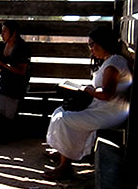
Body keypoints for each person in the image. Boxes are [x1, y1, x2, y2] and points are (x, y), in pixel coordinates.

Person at [43, 26, 133, 180]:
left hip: (110, 113)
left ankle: (65, 167)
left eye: (93, 45)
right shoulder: (108, 61)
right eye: (89, 46)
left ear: (104, 42)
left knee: (65, 120)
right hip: (103, 109)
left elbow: (106, 94)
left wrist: (87, 89)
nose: (91, 49)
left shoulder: (113, 64)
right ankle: (63, 151)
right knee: (60, 112)